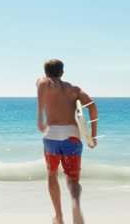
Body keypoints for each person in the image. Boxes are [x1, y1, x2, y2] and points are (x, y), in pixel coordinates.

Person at [36, 59, 98, 224]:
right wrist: (92, 136)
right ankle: (75, 204)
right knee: (73, 180)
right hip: (72, 137)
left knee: (52, 173)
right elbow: (92, 107)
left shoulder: (44, 84)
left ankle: (59, 216)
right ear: (62, 73)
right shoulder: (74, 90)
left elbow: (41, 84)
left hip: (51, 136)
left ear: (46, 73)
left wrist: (39, 118)